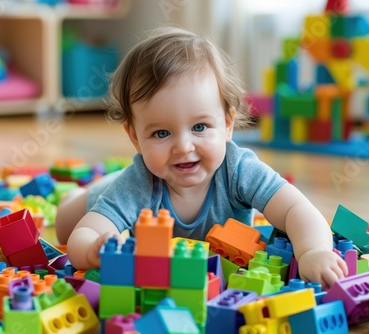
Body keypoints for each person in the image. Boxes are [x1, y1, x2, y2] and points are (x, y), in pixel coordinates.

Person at [55, 26, 348, 288]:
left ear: (228, 125)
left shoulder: (239, 169)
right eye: (161, 133)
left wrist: (314, 251)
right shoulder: (139, 182)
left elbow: (295, 208)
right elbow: (86, 233)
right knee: (66, 223)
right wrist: (94, 249)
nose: (183, 147)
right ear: (135, 137)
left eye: (199, 127)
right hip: (111, 194)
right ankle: (89, 192)